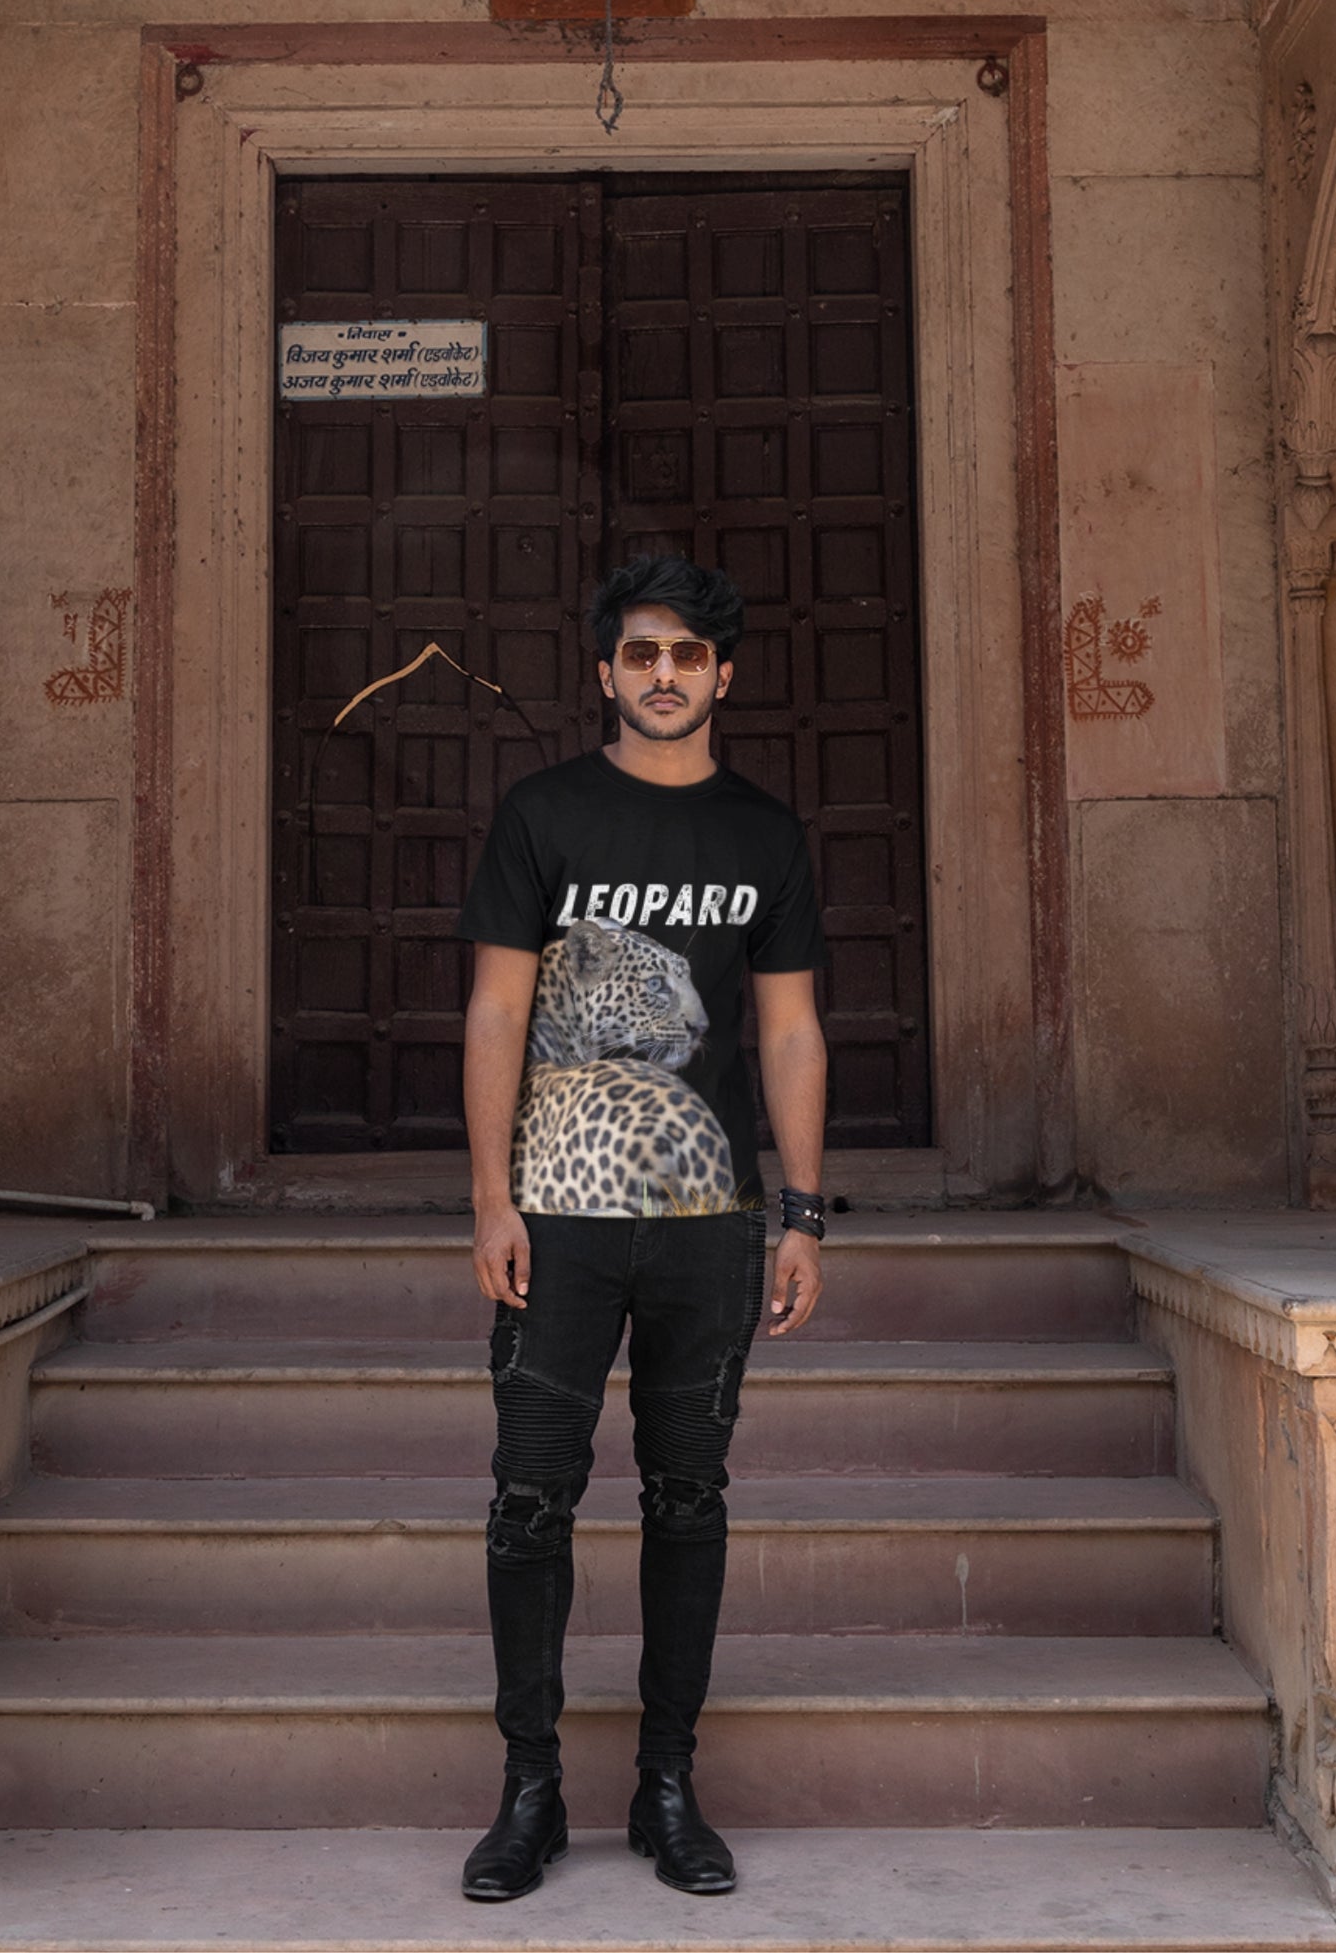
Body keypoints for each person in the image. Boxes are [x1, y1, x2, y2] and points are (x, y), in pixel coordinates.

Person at [456, 554, 830, 1902]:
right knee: (527, 1496)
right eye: (638, 654)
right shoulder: (542, 813)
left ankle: (668, 1784)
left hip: (710, 1222)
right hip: (554, 1216)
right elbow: (498, 1009)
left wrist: (801, 1212)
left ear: (722, 676)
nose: (661, 675)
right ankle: (530, 1789)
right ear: (604, 670)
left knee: (687, 1496)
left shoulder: (763, 835)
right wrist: (492, 1195)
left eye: (686, 656)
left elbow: (785, 1027)